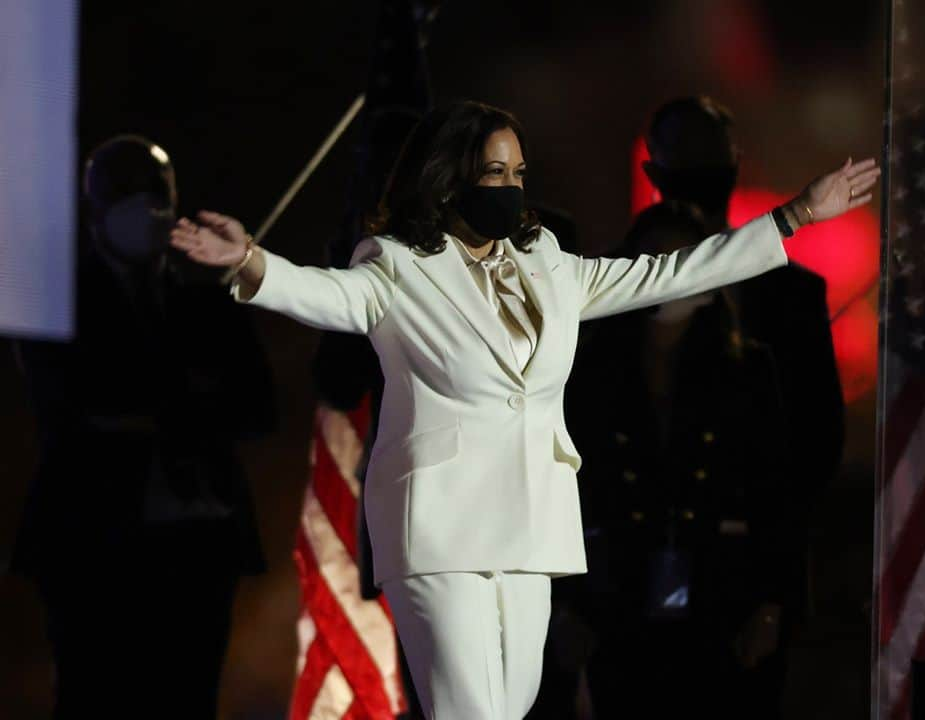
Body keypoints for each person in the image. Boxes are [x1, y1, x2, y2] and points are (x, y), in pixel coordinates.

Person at [169, 99, 879, 720]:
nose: (512, 188)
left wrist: (797, 215)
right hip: (441, 531)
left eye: (519, 174)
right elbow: (327, 296)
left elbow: (671, 271)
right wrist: (249, 263)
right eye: (494, 174)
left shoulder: (548, 264)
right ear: (449, 179)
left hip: (532, 529)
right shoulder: (396, 265)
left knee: (509, 712)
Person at [11, 134, 275, 717]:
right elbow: (77, 407)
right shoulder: (58, 300)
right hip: (96, 542)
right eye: (124, 193)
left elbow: (258, 407)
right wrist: (190, 399)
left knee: (189, 699)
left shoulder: (202, 296)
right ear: (94, 207)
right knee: (94, 697)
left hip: (197, 544)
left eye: (154, 192)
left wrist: (172, 395)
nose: (143, 207)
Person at [644, 95, 846, 692]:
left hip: (743, 580)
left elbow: (813, 445)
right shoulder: (612, 293)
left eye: (706, 158)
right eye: (687, 159)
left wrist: (771, 594)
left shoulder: (787, 295)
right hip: (631, 582)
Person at [564, 202, 791, 717]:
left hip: (720, 597)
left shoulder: (745, 368)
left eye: (681, 261)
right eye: (652, 261)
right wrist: (561, 606)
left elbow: (775, 489)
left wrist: (772, 603)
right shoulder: (591, 367)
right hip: (615, 595)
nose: (667, 276)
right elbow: (567, 489)